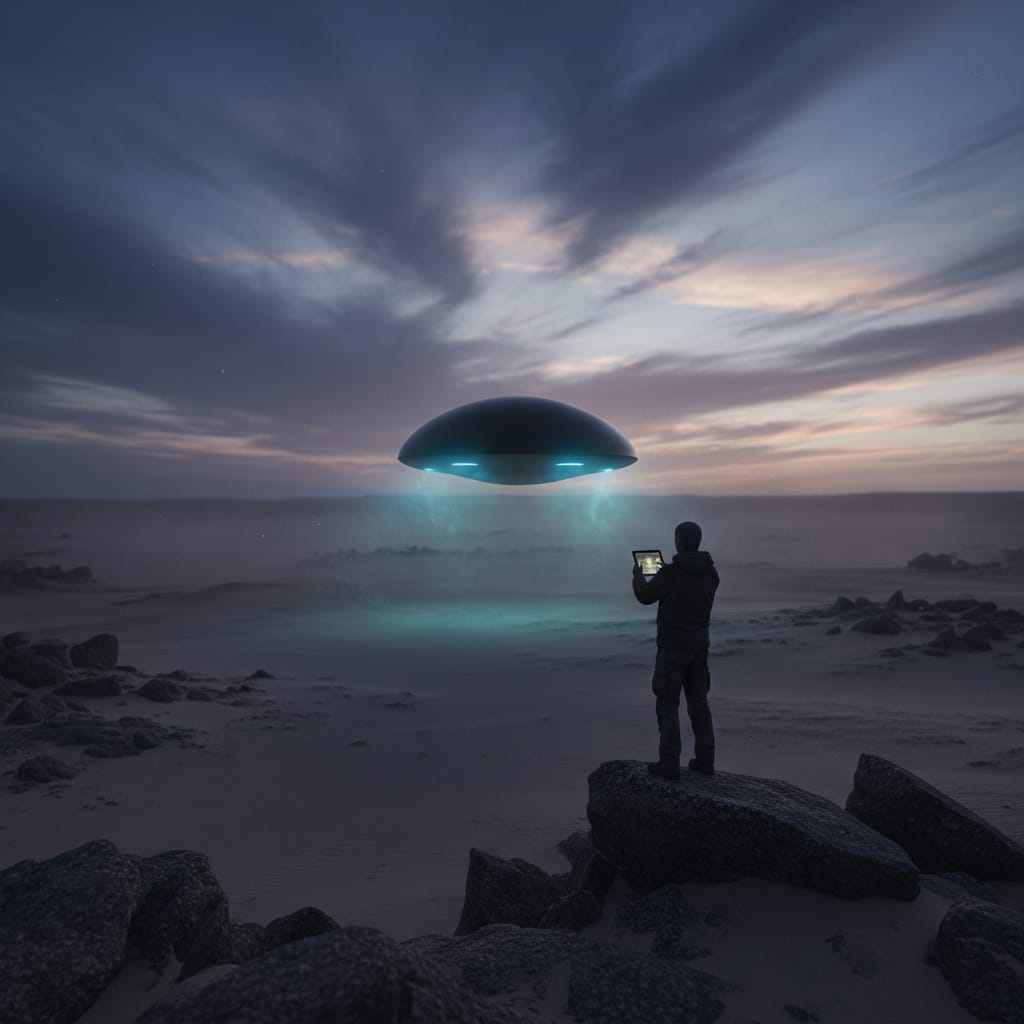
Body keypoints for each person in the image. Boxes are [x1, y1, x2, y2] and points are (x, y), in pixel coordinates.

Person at [632, 520, 719, 780]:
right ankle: (706, 760)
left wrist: (638, 577)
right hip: (699, 646)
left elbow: (646, 596)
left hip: (672, 648)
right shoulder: (711, 574)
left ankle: (669, 763)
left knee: (667, 704)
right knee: (699, 704)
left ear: (679, 541)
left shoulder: (672, 573)